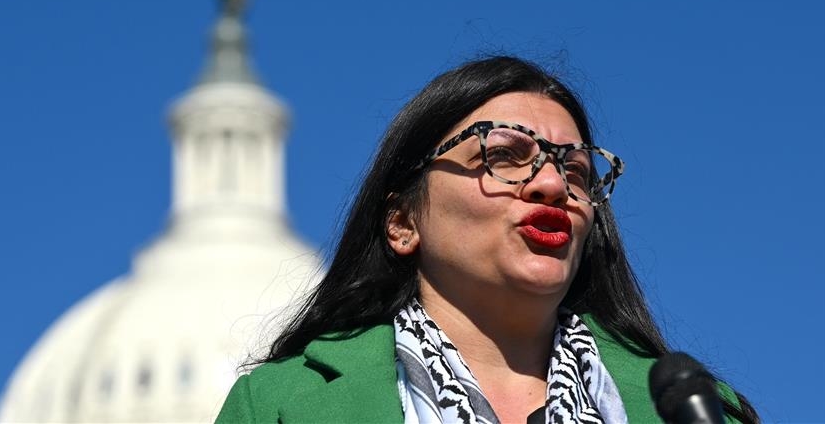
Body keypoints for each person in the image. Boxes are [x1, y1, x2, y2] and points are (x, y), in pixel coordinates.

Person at [216, 56, 758, 423]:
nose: (552, 185)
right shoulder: (281, 405)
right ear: (403, 222)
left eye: (575, 169)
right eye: (502, 155)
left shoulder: (697, 409)